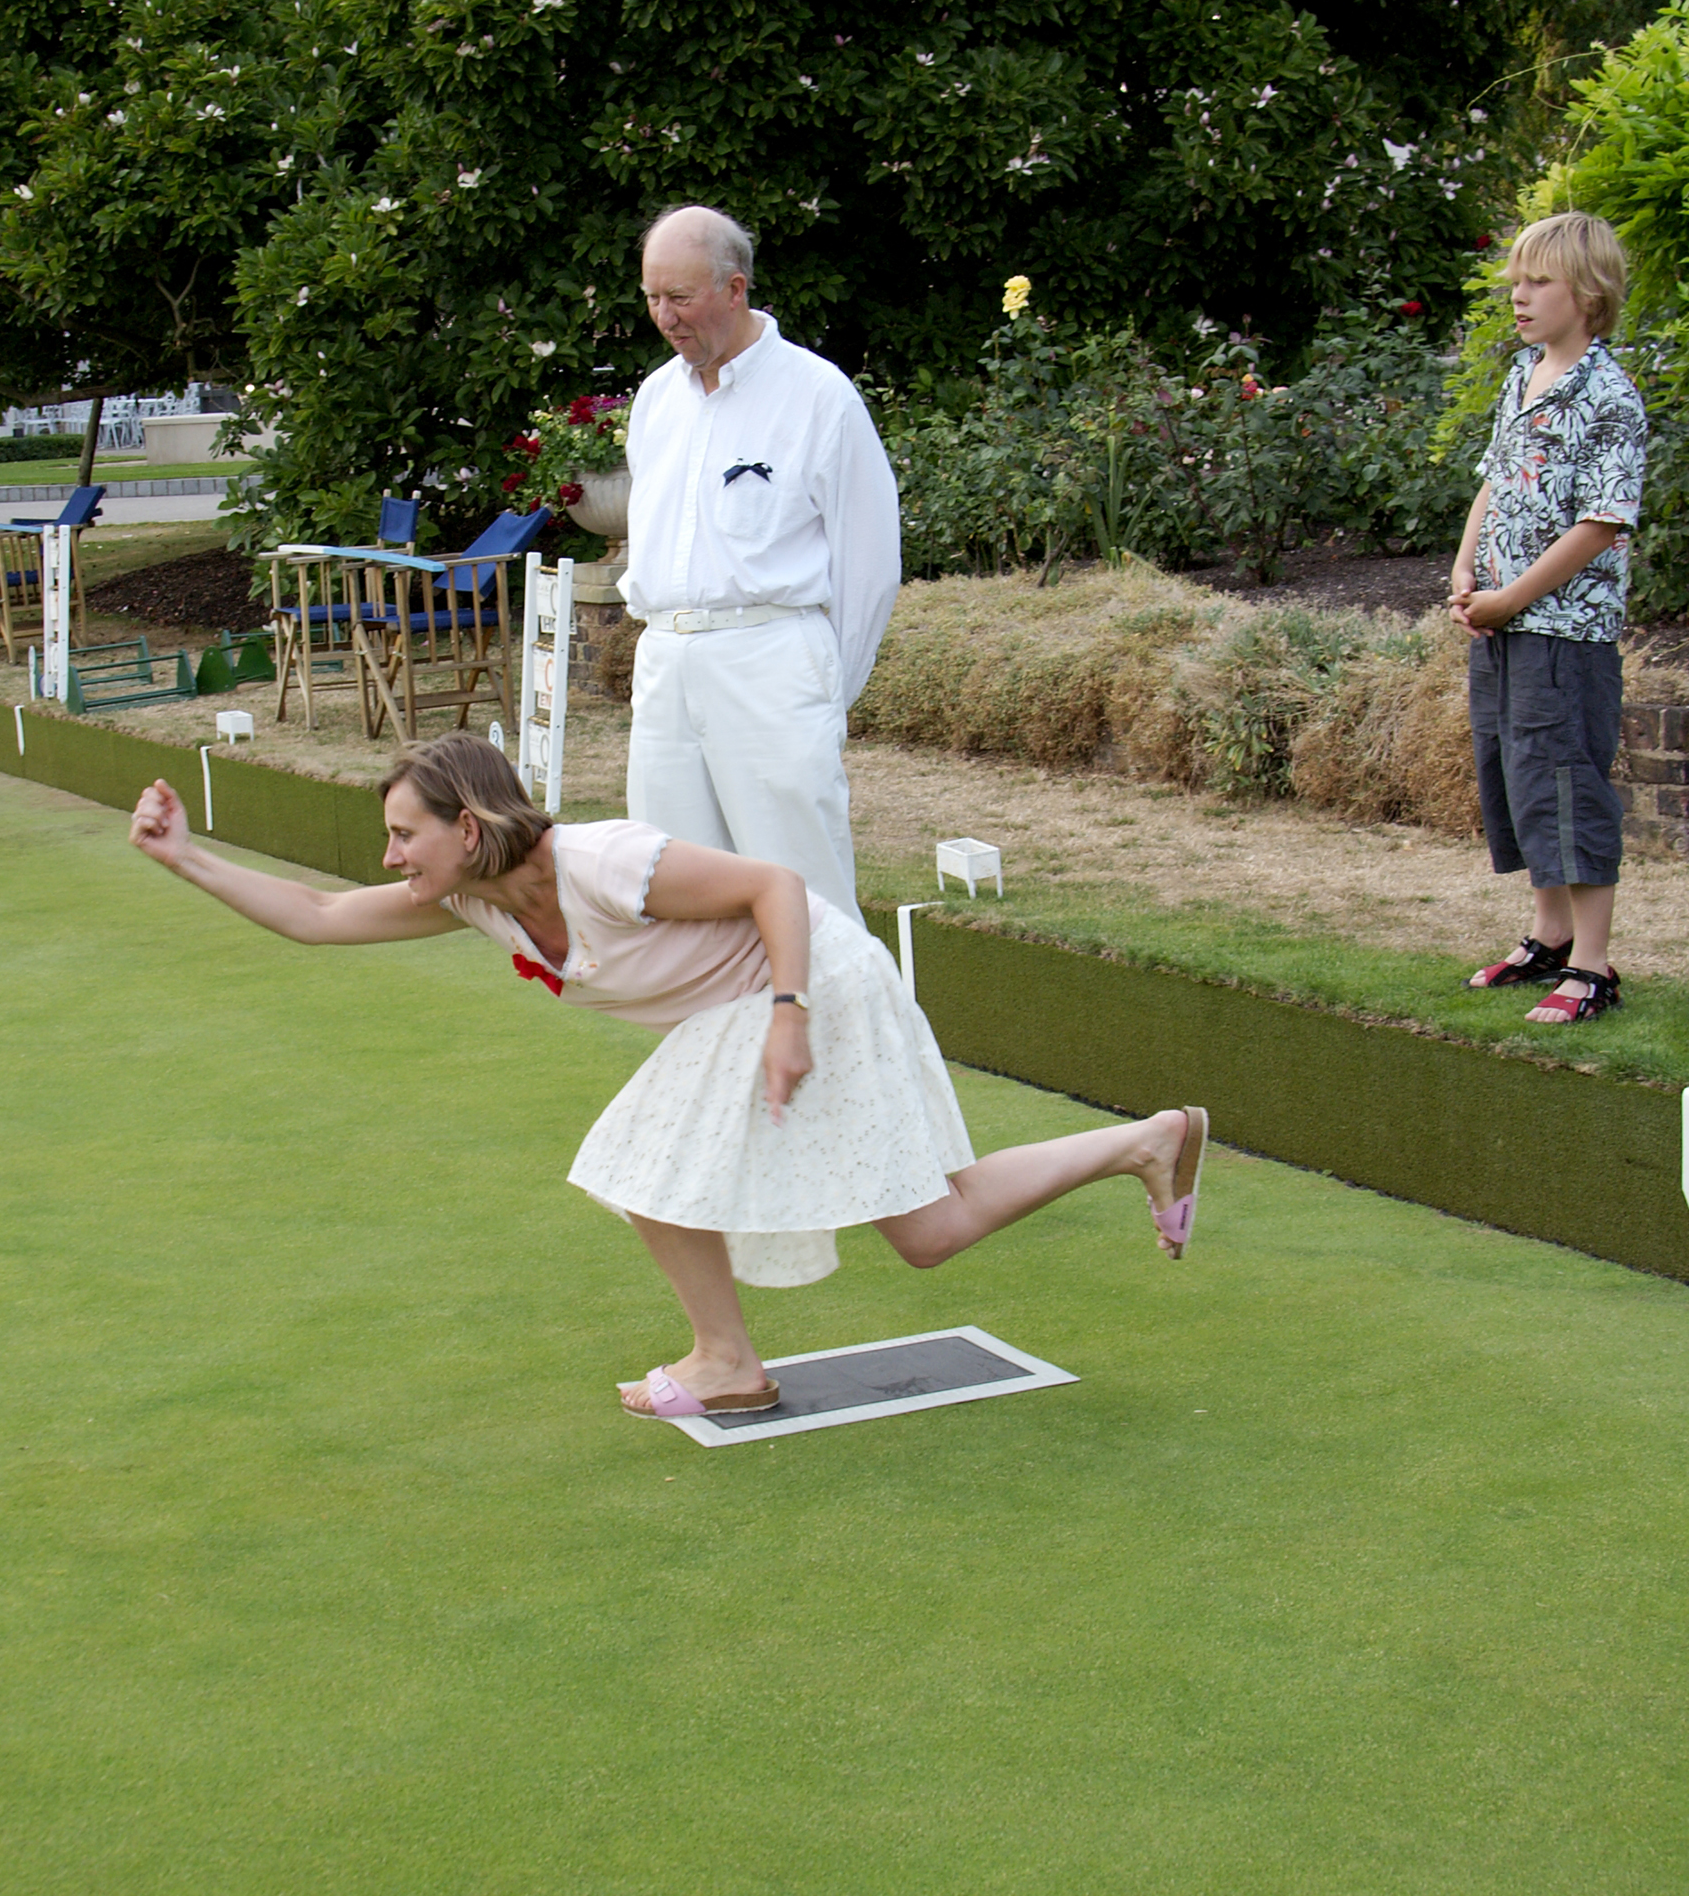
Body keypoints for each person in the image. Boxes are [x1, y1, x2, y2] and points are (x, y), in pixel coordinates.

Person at [128, 732, 1208, 1421]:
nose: (389, 857)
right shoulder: (474, 895)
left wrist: (789, 1015)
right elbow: (317, 918)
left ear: (467, 825)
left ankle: (726, 1360)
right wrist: (183, 856)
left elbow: (774, 884)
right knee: (927, 1232)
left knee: (643, 1157)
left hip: (809, 977)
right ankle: (1140, 1140)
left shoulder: (602, 860)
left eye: (403, 834)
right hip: (754, 1009)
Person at [620, 204, 900, 923]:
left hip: (773, 663)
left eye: (680, 298)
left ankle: (846, 1037)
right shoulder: (655, 400)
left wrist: (822, 693)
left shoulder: (819, 395)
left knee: (806, 895)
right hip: (664, 665)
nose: (665, 316)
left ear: (736, 288)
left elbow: (869, 566)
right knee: (673, 883)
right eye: (653, 297)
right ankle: (721, 1041)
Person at [1450, 211, 1647, 1025]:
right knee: (1519, 779)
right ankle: (1549, 938)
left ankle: (1594, 969)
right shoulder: (1524, 375)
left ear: (1588, 292)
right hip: (1502, 627)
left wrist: (1511, 596)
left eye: (1537, 282)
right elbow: (1495, 480)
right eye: (1516, 280)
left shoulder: (1609, 397)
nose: (1518, 296)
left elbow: (1601, 523)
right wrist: (1465, 570)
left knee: (1566, 787)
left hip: (1564, 635)